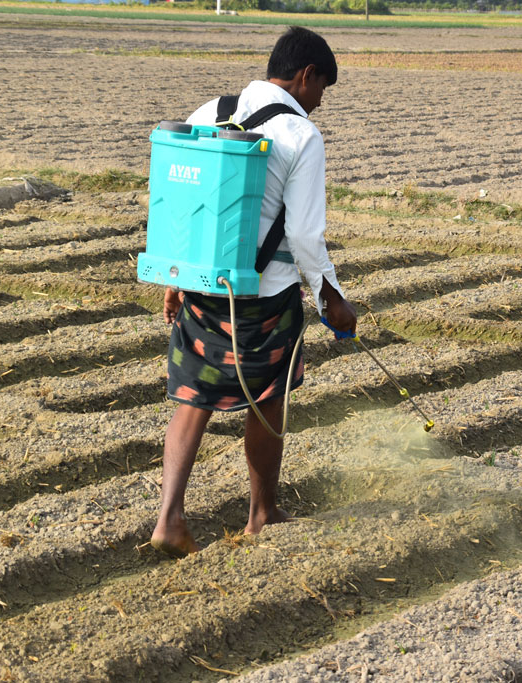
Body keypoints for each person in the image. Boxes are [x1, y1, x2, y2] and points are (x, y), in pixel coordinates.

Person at [151, 26, 357, 558]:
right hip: (265, 296)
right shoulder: (301, 136)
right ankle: (262, 512)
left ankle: (169, 519)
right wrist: (330, 296)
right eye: (322, 90)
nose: (319, 103)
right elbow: (307, 236)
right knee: (268, 400)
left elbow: (183, 200)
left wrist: (178, 275)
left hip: (204, 287)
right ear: (305, 76)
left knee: (192, 400)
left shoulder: (211, 111)